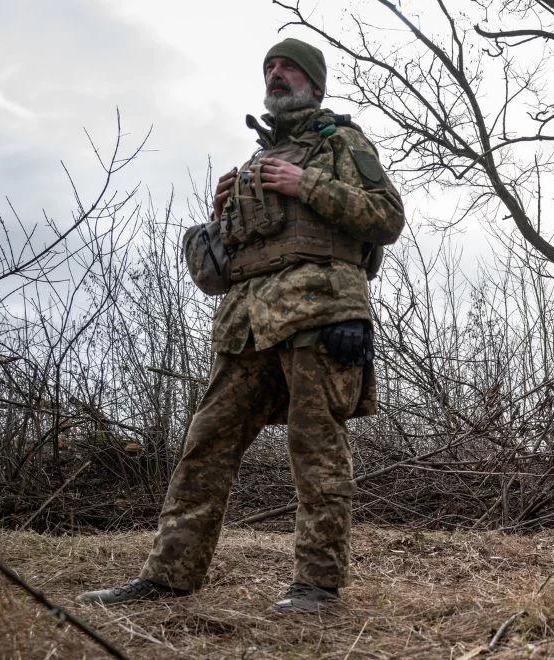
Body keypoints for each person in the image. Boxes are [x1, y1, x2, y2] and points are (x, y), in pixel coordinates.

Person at [77, 38, 405, 613]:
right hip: (245, 325)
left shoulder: (342, 143)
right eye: (269, 67)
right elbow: (214, 274)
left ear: (314, 82)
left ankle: (317, 587)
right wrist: (218, 216)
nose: (276, 75)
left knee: (317, 451)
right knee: (204, 446)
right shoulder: (252, 165)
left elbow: (387, 217)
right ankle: (167, 576)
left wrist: (306, 186)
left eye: (289, 67)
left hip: (318, 316)